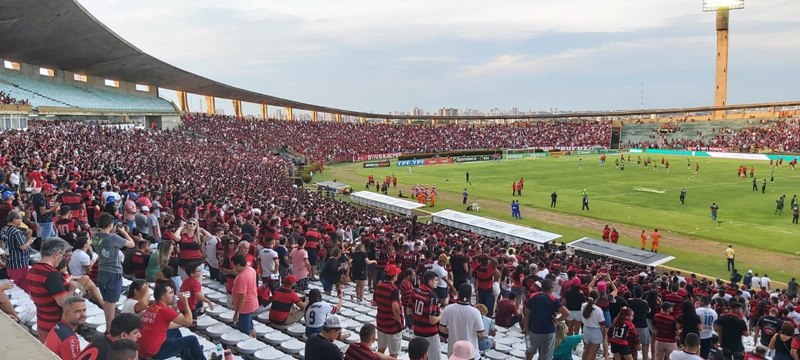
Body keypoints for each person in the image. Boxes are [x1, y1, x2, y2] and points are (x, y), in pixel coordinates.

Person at [27, 238, 80, 342]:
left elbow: (32, 295)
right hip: (56, 326)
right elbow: (62, 302)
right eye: (62, 255)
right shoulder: (51, 274)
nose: (62, 258)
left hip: (42, 322)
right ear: (56, 254)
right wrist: (72, 289)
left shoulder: (32, 270)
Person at [138, 282, 203, 360]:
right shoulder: (165, 310)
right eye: (170, 293)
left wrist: (183, 324)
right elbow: (188, 322)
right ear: (163, 298)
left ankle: (189, 357)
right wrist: (185, 303)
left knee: (175, 331)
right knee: (192, 340)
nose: (173, 295)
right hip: (155, 352)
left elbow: (166, 325)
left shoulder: (152, 307)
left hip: (143, 349)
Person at [92, 213, 135, 329]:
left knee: (106, 301)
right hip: (113, 272)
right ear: (111, 225)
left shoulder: (94, 235)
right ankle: (109, 328)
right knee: (111, 303)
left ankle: (108, 326)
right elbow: (132, 244)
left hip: (102, 271)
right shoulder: (113, 238)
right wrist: (124, 232)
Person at [523, 279, 570, 360]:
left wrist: (526, 327)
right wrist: (557, 320)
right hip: (549, 331)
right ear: (551, 289)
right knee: (546, 355)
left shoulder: (533, 296)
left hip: (535, 329)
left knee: (530, 350)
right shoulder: (553, 299)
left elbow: (526, 314)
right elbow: (566, 313)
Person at [440, 283, 485, 360]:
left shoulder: (448, 309)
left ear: (458, 294)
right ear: (470, 296)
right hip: (471, 354)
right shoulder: (475, 312)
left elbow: (441, 328)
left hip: (453, 353)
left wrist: (452, 332)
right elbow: (481, 333)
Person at [76, 313, 142, 360]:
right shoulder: (114, 353)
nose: (140, 336)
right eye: (135, 333)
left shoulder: (100, 339)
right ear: (123, 335)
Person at [373, 264, 403, 358]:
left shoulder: (378, 286)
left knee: (381, 349)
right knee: (393, 353)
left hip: (381, 322)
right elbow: (395, 305)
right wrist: (398, 318)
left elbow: (375, 302)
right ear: (394, 276)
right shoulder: (394, 289)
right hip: (392, 325)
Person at [413, 270, 443, 360]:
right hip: (430, 333)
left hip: (417, 330)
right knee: (435, 357)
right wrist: (441, 315)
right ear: (430, 282)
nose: (437, 282)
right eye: (436, 280)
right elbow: (432, 320)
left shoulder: (415, 291)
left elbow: (409, 310)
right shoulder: (432, 296)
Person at [45, 296, 87, 360]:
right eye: (78, 311)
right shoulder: (69, 339)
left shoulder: (58, 326)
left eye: (84, 310)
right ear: (66, 313)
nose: (83, 314)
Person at [2, 210, 34, 292]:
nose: (21, 220)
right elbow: (22, 247)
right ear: (14, 220)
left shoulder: (4, 229)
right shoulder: (16, 232)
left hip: (9, 263)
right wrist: (29, 242)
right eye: (20, 218)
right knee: (23, 287)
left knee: (15, 286)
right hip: (19, 264)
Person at [231, 254, 258, 336]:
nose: (233, 268)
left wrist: (237, 312)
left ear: (238, 265)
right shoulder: (251, 269)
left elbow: (242, 296)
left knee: (243, 332)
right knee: (250, 327)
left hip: (245, 308)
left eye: (234, 266)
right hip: (252, 304)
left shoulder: (241, 277)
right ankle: (255, 341)